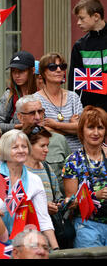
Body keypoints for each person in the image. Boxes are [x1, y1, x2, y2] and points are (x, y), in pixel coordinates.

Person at [0, 129, 59, 249]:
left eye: (24, 146)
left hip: (23, 244)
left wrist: (56, 249)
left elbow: (43, 218)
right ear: (5, 150)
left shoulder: (34, 180)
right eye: (15, 147)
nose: (21, 150)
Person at [63, 105, 107, 248]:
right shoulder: (73, 160)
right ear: (82, 130)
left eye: (100, 128)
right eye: (90, 127)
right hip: (87, 226)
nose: (95, 133)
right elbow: (71, 202)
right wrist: (95, 195)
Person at [16, 94, 71, 193]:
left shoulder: (59, 140)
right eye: (32, 113)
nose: (37, 117)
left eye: (40, 112)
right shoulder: (11, 142)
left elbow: (70, 175)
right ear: (20, 117)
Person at [34, 52, 83, 152]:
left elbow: (83, 128)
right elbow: (42, 131)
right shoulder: (35, 99)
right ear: (43, 73)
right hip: (52, 156)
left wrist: (56, 125)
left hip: (77, 156)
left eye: (62, 66)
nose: (59, 70)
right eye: (53, 67)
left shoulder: (73, 97)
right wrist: (72, 128)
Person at [69, 0, 107, 111]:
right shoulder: (79, 46)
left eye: (82, 18)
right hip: (91, 110)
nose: (78, 23)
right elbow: (75, 83)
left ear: (96, 16)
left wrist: (97, 81)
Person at [0, 51, 37, 133]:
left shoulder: (41, 94)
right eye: (13, 71)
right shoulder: (9, 95)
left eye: (21, 71)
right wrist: (17, 127)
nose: (16, 75)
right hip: (16, 140)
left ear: (33, 70)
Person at [24, 126, 64, 216]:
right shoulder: (19, 170)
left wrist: (60, 204)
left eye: (47, 145)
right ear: (28, 146)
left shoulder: (46, 167)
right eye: (42, 146)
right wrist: (42, 208)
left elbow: (57, 196)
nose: (46, 150)